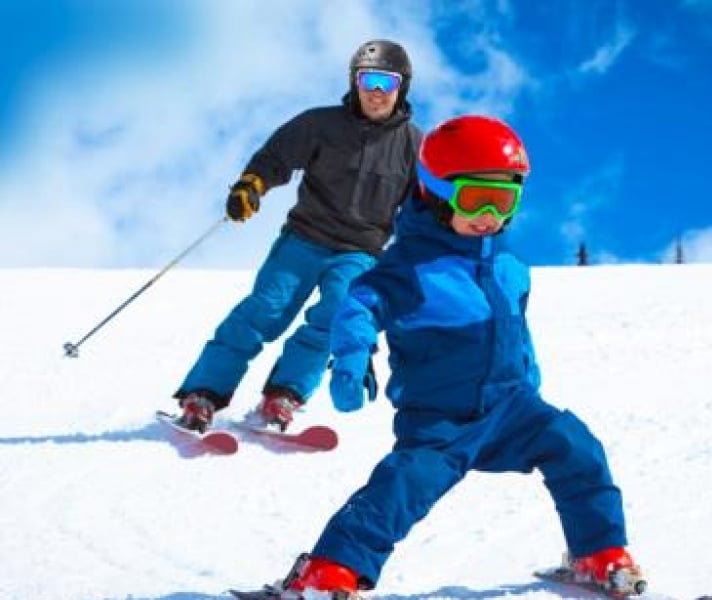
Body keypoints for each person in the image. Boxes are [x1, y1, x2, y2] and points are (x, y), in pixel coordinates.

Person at [269, 115, 645, 597]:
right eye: (475, 197)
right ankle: (330, 570)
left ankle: (598, 552)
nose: (490, 213)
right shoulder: (408, 267)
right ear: (433, 190)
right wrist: (352, 356)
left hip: (511, 407)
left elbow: (516, 328)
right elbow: (359, 307)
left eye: (504, 199)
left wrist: (528, 375)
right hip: (440, 417)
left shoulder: (508, 265)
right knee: (403, 486)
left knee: (577, 448)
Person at [173, 39, 422, 433]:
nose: (376, 91)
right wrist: (251, 185)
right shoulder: (321, 124)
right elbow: (276, 157)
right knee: (264, 310)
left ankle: (283, 396)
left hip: (360, 252)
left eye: (386, 82)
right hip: (306, 238)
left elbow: (420, 206)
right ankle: (203, 393)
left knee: (337, 316)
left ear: (401, 87)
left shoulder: (412, 145)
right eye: (368, 79)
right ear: (355, 82)